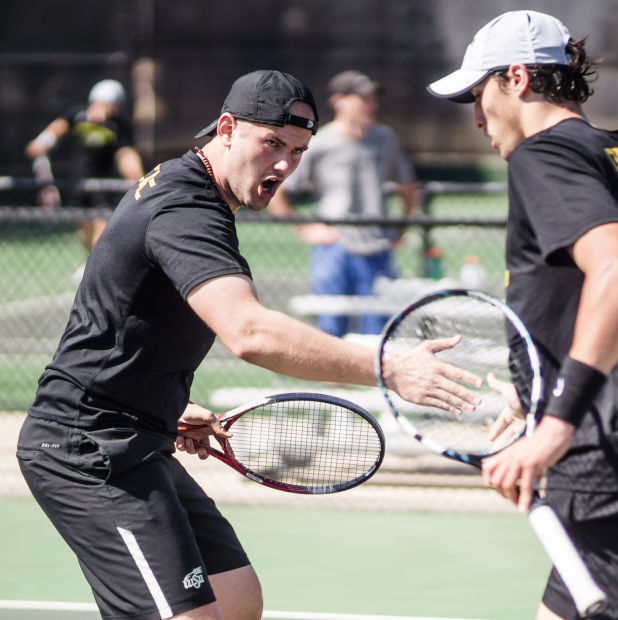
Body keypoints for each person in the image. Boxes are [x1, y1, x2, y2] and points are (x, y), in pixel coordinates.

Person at [16, 69, 481, 620]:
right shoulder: (185, 207)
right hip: (87, 447)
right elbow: (250, 332)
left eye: (299, 151)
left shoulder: (197, 190)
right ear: (228, 128)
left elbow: (125, 317)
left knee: (236, 599)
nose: (285, 165)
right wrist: (389, 368)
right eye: (273, 144)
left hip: (138, 431)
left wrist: (161, 405)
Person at [427, 10, 618, 620]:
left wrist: (558, 422)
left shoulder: (545, 156)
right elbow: (611, 303)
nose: (477, 118)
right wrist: (535, 388)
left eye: (478, 95)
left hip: (616, 460)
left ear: (516, 78)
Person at [268, 70, 420, 337]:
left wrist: (401, 230)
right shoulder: (319, 142)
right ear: (339, 101)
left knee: (381, 337)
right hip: (335, 250)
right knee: (331, 333)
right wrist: (306, 230)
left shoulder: (385, 139)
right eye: (363, 99)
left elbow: (409, 189)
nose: (371, 105)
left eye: (373, 99)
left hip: (378, 249)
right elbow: (278, 191)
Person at [25, 78, 144, 250]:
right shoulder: (79, 114)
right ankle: (90, 264)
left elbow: (126, 154)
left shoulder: (119, 125)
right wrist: (42, 142)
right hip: (79, 182)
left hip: (104, 185)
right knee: (83, 231)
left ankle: (97, 269)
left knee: (101, 228)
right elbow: (60, 126)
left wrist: (136, 179)